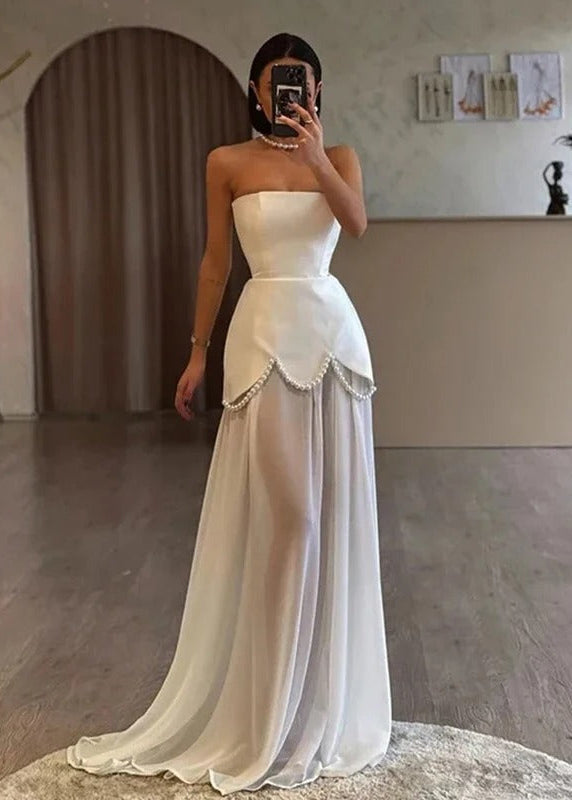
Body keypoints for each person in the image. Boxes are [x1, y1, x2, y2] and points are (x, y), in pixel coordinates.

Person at [66, 32, 392, 796]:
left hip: (333, 341)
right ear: (255, 90)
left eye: (302, 81)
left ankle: (312, 701)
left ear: (317, 90)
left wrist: (314, 159)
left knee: (328, 518)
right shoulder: (226, 162)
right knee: (293, 516)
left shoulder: (339, 156)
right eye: (277, 81)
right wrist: (196, 353)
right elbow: (217, 262)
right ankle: (262, 707)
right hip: (261, 336)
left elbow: (356, 223)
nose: (289, 92)